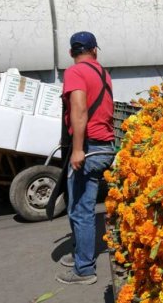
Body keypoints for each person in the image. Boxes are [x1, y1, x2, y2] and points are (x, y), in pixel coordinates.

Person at [56, 31, 116, 285]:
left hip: (89, 148)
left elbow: (79, 110)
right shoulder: (102, 71)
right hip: (105, 146)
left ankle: (84, 269)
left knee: (81, 210)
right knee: (81, 207)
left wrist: (78, 148)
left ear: (71, 53)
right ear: (94, 50)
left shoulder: (74, 72)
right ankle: (82, 253)